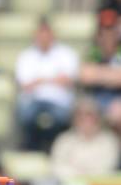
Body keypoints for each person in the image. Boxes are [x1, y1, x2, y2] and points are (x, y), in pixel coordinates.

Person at [15, 17, 79, 151]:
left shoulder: (67, 54)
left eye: (47, 33)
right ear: (35, 35)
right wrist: (53, 79)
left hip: (59, 100)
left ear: (52, 34)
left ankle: (55, 149)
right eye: (40, 34)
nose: (44, 37)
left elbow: (68, 80)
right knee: (26, 113)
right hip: (33, 100)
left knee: (61, 117)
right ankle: (31, 150)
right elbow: (25, 85)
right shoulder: (25, 56)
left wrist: (39, 80)